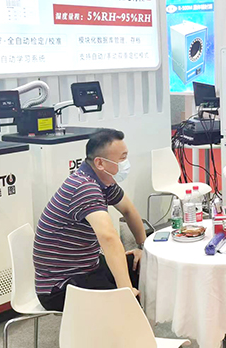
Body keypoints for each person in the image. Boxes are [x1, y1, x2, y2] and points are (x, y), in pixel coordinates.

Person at [33, 129, 147, 311]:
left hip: (86, 267)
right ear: (100, 163)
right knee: (127, 304)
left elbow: (128, 210)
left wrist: (142, 247)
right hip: (61, 285)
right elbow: (108, 237)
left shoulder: (103, 182)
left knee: (140, 265)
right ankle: (128, 325)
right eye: (122, 158)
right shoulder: (84, 187)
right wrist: (125, 290)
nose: (125, 164)